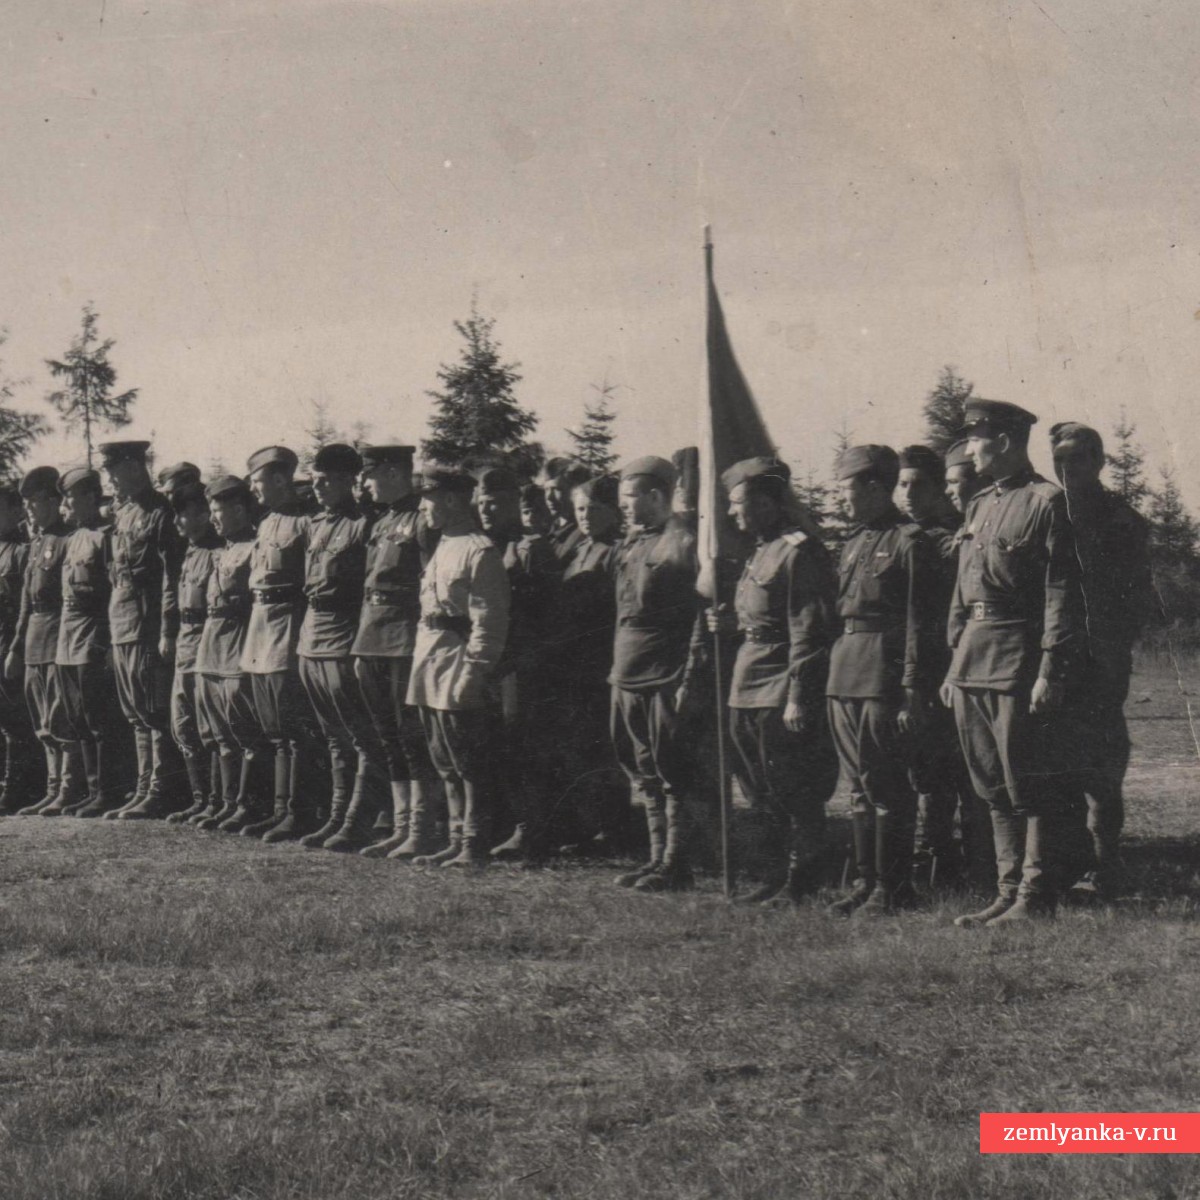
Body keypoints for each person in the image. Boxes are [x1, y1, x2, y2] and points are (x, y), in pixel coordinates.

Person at [944, 399, 1085, 926]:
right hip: (973, 658)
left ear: (1002, 441)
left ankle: (1036, 894)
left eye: (977, 439)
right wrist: (952, 664)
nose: (970, 449)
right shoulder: (979, 504)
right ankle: (1008, 892)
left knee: (1026, 780)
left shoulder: (1047, 503)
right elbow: (962, 594)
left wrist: (1050, 668)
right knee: (990, 783)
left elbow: (1061, 594)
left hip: (1018, 658)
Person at [717, 457, 840, 904]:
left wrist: (797, 695)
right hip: (746, 678)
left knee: (792, 784)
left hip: (778, 680)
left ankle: (802, 878)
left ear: (766, 503)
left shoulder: (798, 551)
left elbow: (808, 629)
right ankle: (773, 873)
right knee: (757, 785)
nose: (732, 513)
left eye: (738, 504)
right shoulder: (760, 550)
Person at [826, 445, 939, 916]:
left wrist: (912, 689)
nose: (842, 500)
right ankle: (865, 881)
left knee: (886, 784)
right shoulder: (853, 543)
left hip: (882, 675)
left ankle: (894, 887)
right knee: (857, 785)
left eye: (847, 490)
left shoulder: (910, 541)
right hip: (845, 671)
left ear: (874, 488)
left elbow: (919, 622)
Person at [1050, 420, 1152, 900]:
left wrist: (1108, 653)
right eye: (1060, 459)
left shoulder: (1120, 520)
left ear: (1099, 462)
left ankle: (1106, 864)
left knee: (1101, 766)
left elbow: (1133, 599)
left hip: (1098, 659)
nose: (1067, 468)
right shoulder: (1048, 511)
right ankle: (1068, 863)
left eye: (1077, 458)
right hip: (1052, 657)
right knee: (1055, 763)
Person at [895, 444, 991, 888]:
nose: (909, 494)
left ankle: (980, 864)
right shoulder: (903, 536)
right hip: (918, 667)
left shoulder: (961, 535)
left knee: (969, 770)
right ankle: (936, 860)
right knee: (927, 771)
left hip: (960, 664)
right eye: (902, 484)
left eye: (920, 485)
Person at [406, 468, 510, 869]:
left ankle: (475, 841)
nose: (422, 507)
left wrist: (476, 669)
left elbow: (489, 618)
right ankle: (454, 837)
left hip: (458, 661)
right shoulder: (442, 544)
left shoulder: (478, 550)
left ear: (451, 500)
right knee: (442, 757)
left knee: (469, 760)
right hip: (430, 659)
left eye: (428, 498)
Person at [609, 456, 703, 893]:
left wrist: (688, 675)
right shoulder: (632, 542)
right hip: (626, 669)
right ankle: (654, 857)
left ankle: (676, 861)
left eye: (630, 498)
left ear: (655, 496)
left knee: (672, 770)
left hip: (665, 669)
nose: (624, 506)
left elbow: (701, 613)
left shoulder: (681, 542)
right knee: (641, 769)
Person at [295, 443, 388, 853]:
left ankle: (358, 821)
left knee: (361, 734)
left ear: (349, 481)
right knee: (333, 736)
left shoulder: (365, 524)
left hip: (344, 634)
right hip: (312, 634)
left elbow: (370, 588)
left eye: (326, 479)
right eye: (315, 478)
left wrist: (359, 644)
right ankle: (337, 816)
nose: (317, 486)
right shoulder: (317, 524)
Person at [352, 445, 442, 860]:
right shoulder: (381, 520)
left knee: (412, 737)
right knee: (388, 737)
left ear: (391, 472)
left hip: (405, 640)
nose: (364, 483)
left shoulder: (422, 520)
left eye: (370, 475)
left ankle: (422, 829)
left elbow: (431, 584)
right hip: (372, 637)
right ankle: (402, 826)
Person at [474, 465, 563, 864]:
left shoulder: (530, 548)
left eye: (494, 502)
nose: (487, 509)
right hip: (487, 660)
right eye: (481, 502)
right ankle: (501, 824)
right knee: (492, 745)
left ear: (513, 502)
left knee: (522, 746)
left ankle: (531, 830)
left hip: (520, 663)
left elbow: (544, 616)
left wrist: (523, 660)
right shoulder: (479, 544)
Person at [97, 441, 187, 820]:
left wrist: (167, 629)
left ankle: (162, 790)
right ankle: (142, 787)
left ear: (135, 466)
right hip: (123, 623)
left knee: (153, 710)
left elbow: (170, 576)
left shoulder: (160, 513)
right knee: (135, 713)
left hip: (149, 624)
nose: (111, 478)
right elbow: (112, 573)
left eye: (115, 470)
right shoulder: (123, 514)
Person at [239, 445, 316, 842]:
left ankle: (298, 811)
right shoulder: (267, 522)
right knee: (271, 726)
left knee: (292, 725)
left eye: (258, 482)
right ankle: (278, 809)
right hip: (260, 625)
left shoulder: (306, 523)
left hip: (288, 623)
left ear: (281, 480)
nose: (254, 490)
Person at [191, 476, 274, 832]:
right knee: (219, 732)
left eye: (218, 510)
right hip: (211, 642)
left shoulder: (255, 547)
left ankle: (249, 804)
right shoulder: (220, 550)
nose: (212, 519)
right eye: (210, 510)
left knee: (243, 728)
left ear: (240, 509)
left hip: (238, 641)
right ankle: (225, 803)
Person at [551, 474, 628, 855]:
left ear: (614, 511)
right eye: (580, 508)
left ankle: (610, 829)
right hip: (571, 662)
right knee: (575, 746)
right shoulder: (578, 548)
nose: (585, 516)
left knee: (600, 749)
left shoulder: (617, 551)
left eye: (594, 509)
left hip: (599, 660)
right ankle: (582, 824)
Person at [7, 468, 77, 815]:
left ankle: (67, 788)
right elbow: (24, 602)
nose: (30, 510)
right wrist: (16, 647)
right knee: (41, 722)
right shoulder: (37, 543)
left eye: (35, 502)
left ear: (53, 501)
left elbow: (70, 599)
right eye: (27, 504)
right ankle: (51, 790)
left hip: (57, 635)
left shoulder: (68, 539)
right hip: (34, 637)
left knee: (60, 716)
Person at [49, 468, 118, 818]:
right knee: (76, 717)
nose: (66, 504)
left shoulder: (107, 537)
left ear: (92, 497)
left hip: (92, 632)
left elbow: (113, 593)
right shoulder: (75, 537)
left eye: (71, 496)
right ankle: (90, 790)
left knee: (97, 717)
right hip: (68, 636)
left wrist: (104, 642)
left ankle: (106, 791)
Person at [163, 482, 225, 824]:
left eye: (183, 516)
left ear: (203, 515)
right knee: (183, 723)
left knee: (208, 725)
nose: (178, 524)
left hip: (207, 639)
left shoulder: (218, 552)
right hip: (186, 641)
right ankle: (199, 798)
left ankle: (216, 801)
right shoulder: (190, 552)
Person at [0, 486, 39, 814]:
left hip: (12, 644)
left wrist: (16, 648)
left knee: (15, 721)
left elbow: (24, 608)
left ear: (16, 512)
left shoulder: (23, 551)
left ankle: (16, 790)